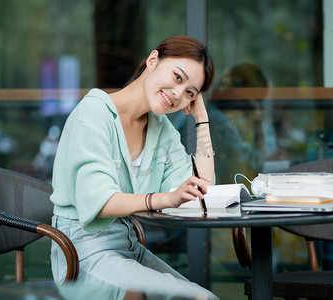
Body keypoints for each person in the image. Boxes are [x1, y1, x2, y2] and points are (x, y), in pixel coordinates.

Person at [49, 35, 218, 300]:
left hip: (129, 249)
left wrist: (202, 119)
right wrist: (165, 198)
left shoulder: (162, 130)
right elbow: (99, 202)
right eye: (177, 77)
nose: (177, 95)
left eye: (189, 93)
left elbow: (202, 191)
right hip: (82, 253)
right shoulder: (94, 112)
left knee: (203, 298)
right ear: (153, 60)